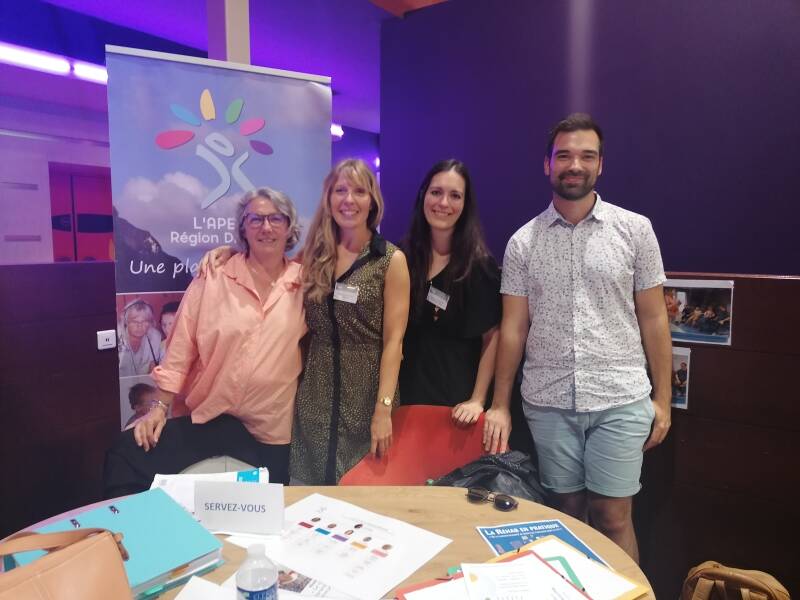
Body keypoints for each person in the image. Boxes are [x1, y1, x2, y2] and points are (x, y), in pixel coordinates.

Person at [492, 113, 672, 562]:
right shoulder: (522, 243)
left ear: (600, 165)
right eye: (565, 155)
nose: (575, 164)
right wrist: (499, 403)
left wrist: (664, 401)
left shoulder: (635, 230)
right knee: (565, 514)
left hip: (620, 398)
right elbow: (512, 329)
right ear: (547, 164)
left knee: (613, 517)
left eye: (586, 156)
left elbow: (654, 319)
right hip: (549, 401)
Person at [103, 187, 306, 495]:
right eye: (256, 219)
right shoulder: (214, 276)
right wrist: (159, 408)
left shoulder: (304, 284)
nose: (266, 227)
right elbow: (180, 347)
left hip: (270, 428)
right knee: (127, 455)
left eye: (276, 219)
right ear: (243, 228)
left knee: (264, 515)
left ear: (289, 226)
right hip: (210, 417)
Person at [290, 158, 410, 484]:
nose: (349, 200)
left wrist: (383, 409)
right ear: (328, 199)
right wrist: (229, 253)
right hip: (316, 397)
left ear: (372, 200)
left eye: (359, 191)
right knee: (311, 500)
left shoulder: (390, 260)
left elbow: (394, 342)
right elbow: (270, 267)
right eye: (340, 190)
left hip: (368, 398)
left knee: (362, 498)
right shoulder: (314, 255)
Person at [399, 159, 501, 431]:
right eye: (436, 192)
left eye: (455, 195)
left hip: (456, 408)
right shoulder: (401, 259)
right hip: (405, 402)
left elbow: (492, 338)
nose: (443, 203)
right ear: (423, 196)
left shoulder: (480, 268)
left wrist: (477, 400)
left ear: (466, 205)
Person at [117, 299, 163, 377]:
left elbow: (153, 367)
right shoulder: (117, 337)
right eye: (134, 321)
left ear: (150, 322)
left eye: (145, 321)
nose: (139, 326)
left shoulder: (155, 336)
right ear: (126, 321)